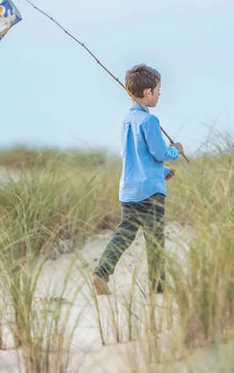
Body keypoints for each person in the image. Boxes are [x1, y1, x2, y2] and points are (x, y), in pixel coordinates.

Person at [92, 64, 184, 295]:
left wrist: (162, 171)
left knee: (123, 234)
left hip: (129, 190)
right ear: (147, 92)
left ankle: (101, 273)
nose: (160, 93)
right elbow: (159, 153)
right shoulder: (149, 121)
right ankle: (158, 287)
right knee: (155, 239)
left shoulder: (126, 119)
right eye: (158, 89)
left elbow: (136, 155)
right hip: (150, 192)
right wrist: (175, 150)